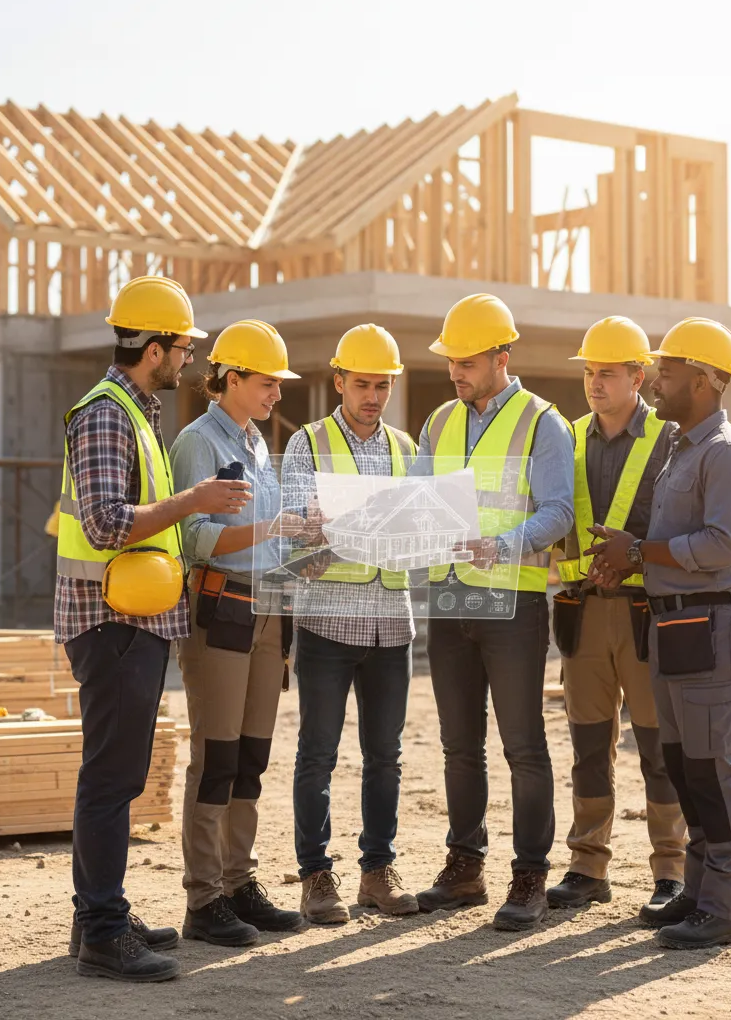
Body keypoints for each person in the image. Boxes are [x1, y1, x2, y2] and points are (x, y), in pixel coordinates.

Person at [55, 276, 252, 982]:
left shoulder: (137, 410)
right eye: (184, 347)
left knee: (121, 773)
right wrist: (194, 500)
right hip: (110, 622)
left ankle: (96, 914)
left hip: (133, 619)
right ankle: (104, 932)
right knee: (111, 778)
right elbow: (109, 524)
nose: (190, 361)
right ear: (154, 346)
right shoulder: (109, 414)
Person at [587, 316, 731, 949]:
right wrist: (633, 556)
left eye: (668, 370)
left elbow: (721, 545)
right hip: (675, 623)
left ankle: (724, 908)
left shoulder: (728, 455)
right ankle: (695, 891)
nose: (657, 381)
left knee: (715, 769)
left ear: (707, 380)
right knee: (686, 767)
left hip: (710, 622)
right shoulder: (682, 448)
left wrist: (642, 552)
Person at [413, 293, 575, 931]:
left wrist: (505, 544)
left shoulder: (543, 423)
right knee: (458, 745)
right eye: (453, 360)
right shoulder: (437, 423)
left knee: (523, 744)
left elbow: (559, 510)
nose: (457, 371)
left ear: (502, 357)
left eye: (469, 361)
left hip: (513, 599)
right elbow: (421, 499)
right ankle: (465, 867)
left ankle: (531, 875)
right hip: (451, 596)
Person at [170, 320, 305, 947]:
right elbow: (194, 539)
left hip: (268, 611)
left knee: (250, 756)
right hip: (221, 609)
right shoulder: (199, 443)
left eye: (279, 383)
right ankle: (204, 900)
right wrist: (274, 529)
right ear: (231, 379)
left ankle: (238, 881)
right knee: (216, 756)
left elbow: (265, 536)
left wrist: (299, 540)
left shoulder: (255, 441)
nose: (277, 392)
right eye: (267, 382)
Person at [546, 316, 686, 918]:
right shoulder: (567, 437)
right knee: (587, 744)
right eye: (589, 372)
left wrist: (634, 551)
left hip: (644, 611)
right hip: (583, 611)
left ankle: (671, 869)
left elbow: (679, 520)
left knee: (658, 746)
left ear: (638, 376)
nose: (595, 383)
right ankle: (587, 865)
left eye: (607, 372)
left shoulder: (671, 438)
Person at [282, 324, 419, 924]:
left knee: (385, 756)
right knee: (318, 754)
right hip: (327, 626)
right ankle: (315, 876)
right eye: (361, 383)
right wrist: (341, 536)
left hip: (392, 627)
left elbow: (423, 539)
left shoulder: (407, 450)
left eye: (382, 385)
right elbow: (291, 549)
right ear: (338, 381)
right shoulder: (305, 447)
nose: (372, 396)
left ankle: (376, 870)